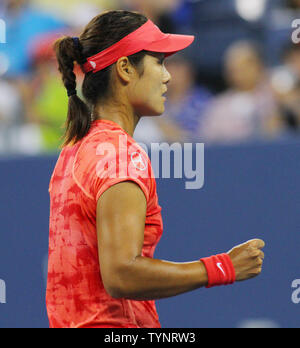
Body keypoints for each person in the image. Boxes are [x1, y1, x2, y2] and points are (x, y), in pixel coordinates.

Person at [46, 10, 265, 329]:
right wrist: (223, 267)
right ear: (124, 68)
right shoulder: (121, 154)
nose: (168, 76)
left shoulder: (73, 150)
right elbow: (122, 274)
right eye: (159, 62)